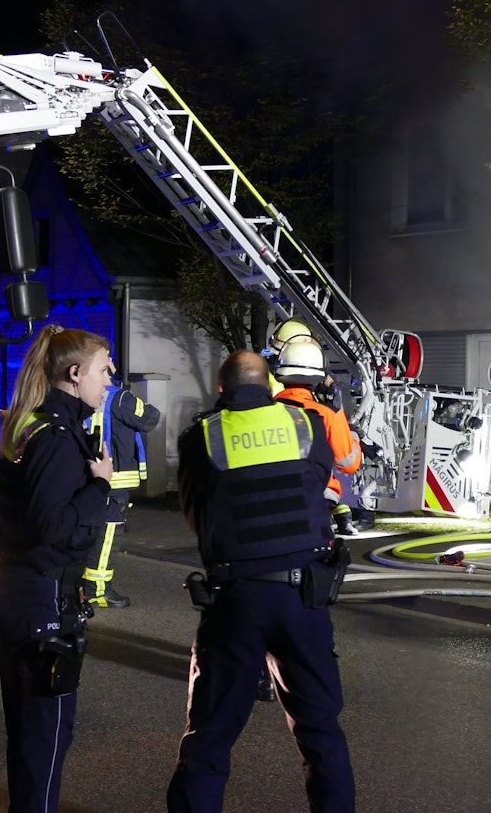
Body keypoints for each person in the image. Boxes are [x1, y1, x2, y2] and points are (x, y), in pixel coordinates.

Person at [168, 350, 356, 813]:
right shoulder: (306, 424)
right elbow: (317, 486)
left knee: (209, 738)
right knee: (321, 734)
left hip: (237, 599)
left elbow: (196, 511)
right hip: (303, 598)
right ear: (269, 384)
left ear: (221, 388)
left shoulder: (202, 437)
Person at [0, 324, 115, 813]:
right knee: (45, 738)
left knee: (28, 731)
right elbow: (53, 525)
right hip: (41, 597)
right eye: (104, 370)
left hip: (20, 590)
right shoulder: (59, 439)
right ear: (75, 373)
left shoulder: (37, 425)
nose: (110, 380)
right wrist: (99, 486)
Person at [82, 379, 162, 608]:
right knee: (107, 538)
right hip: (115, 482)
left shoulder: (82, 394)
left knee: (91, 534)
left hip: (90, 477)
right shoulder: (119, 398)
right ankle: (97, 591)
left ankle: (82, 585)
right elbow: (150, 418)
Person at [275, 338, 363, 536]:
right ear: (318, 379)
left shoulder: (264, 409)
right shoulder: (328, 415)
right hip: (315, 499)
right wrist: (353, 435)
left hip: (271, 497)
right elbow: (348, 464)